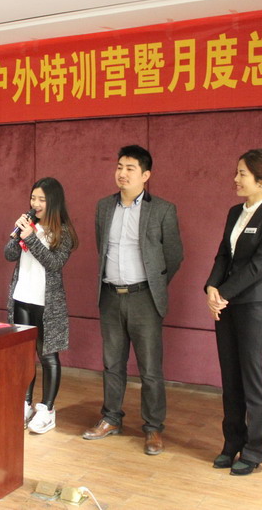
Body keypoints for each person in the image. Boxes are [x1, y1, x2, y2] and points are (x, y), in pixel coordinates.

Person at [83, 145, 183, 456]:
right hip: (110, 296)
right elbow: (102, 248)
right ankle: (111, 418)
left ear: (146, 175)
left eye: (130, 168)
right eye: (119, 167)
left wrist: (154, 285)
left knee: (150, 368)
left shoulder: (162, 209)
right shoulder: (104, 207)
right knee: (112, 363)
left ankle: (153, 427)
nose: (122, 173)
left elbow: (174, 255)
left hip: (145, 299)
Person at [205, 148, 262, 476]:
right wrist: (211, 288)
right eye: (237, 172)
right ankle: (231, 444)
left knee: (253, 381)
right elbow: (223, 256)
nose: (236, 179)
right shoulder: (234, 213)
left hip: (255, 308)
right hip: (226, 306)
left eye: (242, 173)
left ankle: (254, 451)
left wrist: (222, 294)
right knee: (230, 380)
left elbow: (260, 265)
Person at [5, 177, 78, 434]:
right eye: (33, 198)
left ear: (53, 202)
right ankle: (24, 403)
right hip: (21, 298)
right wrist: (18, 233)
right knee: (24, 356)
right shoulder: (28, 224)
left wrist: (31, 238)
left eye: (41, 200)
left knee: (47, 355)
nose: (35, 203)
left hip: (47, 304)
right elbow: (8, 254)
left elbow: (54, 263)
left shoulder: (63, 232)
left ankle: (46, 409)